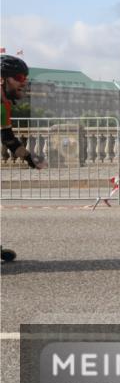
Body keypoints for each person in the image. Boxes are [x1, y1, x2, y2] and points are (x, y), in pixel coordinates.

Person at [1, 54, 47, 262]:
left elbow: (8, 139)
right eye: (19, 77)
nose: (24, 83)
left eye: (25, 78)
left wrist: (30, 159)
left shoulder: (3, 105)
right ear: (2, 78)